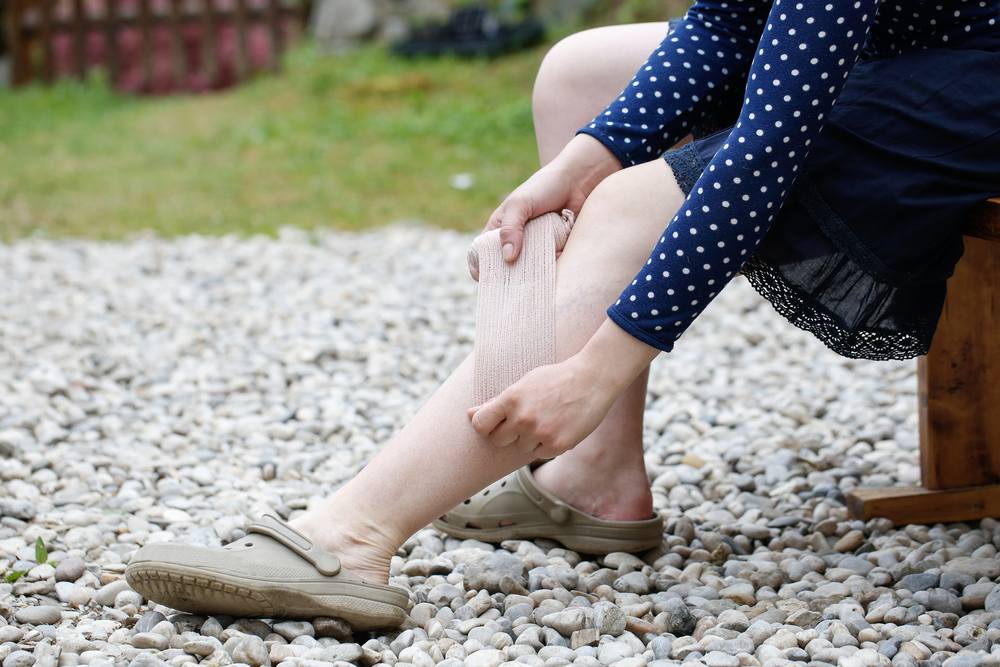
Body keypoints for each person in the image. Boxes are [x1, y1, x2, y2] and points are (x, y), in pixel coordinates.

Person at [125, 0, 1000, 629]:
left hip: (973, 71)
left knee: (627, 208)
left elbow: (771, 146)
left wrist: (600, 364)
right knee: (579, 74)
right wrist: (581, 160)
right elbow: (732, 22)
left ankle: (352, 535)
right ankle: (596, 476)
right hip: (917, 32)